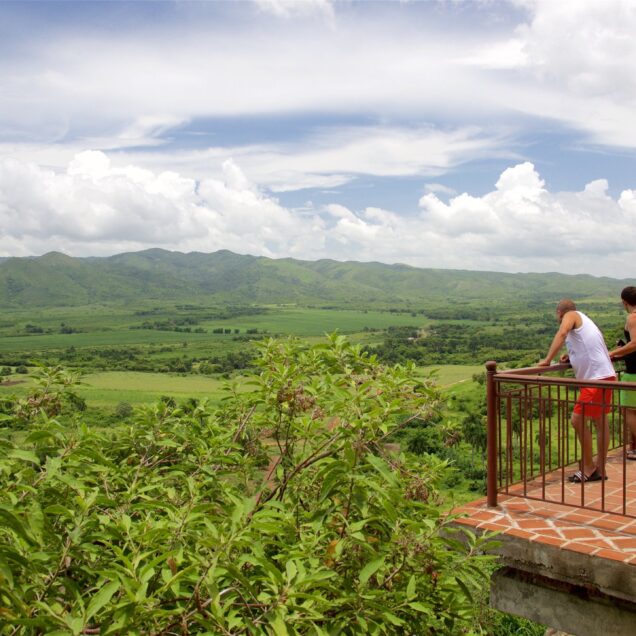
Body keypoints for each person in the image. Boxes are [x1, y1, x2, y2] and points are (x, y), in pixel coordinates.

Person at [538, 299, 615, 482]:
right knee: (600, 421)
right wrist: (570, 356)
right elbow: (586, 346)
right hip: (605, 375)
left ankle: (588, 467)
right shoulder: (584, 320)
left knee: (577, 420)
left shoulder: (570, 315)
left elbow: (562, 333)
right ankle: (600, 469)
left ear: (559, 313)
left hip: (595, 379)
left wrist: (547, 360)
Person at [608, 286, 636, 460]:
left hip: (634, 372)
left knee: (628, 410)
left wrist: (613, 353)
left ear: (624, 302)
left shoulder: (632, 317)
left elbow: (634, 344)